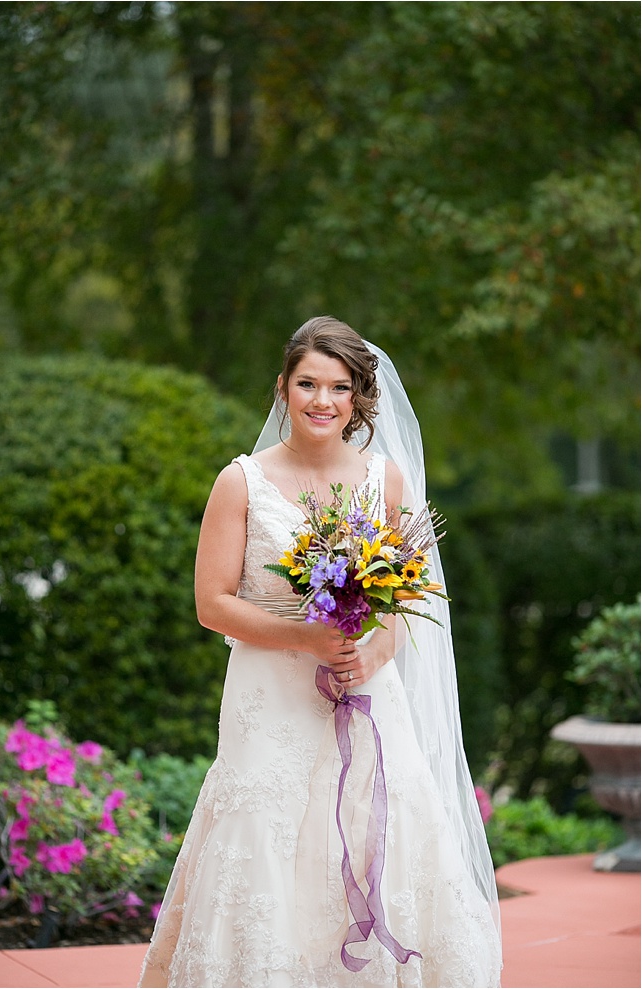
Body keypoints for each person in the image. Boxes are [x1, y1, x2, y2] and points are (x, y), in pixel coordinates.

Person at [138, 316, 502, 988]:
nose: (321, 400)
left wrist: (371, 655)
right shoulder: (240, 481)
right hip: (268, 701)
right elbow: (212, 602)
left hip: (364, 697)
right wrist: (308, 634)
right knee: (265, 839)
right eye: (308, 382)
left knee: (369, 835)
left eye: (338, 387)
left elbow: (405, 607)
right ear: (283, 387)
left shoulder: (384, 482)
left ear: (360, 399)